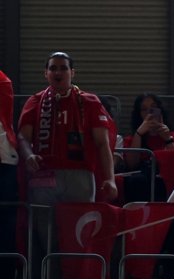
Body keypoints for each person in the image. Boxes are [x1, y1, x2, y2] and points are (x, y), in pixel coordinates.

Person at [16, 53, 116, 243]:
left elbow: (102, 144)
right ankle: (50, 272)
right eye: (53, 68)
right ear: (45, 73)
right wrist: (28, 155)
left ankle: (75, 272)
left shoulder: (89, 102)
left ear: (72, 73)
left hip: (80, 175)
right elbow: (23, 137)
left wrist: (110, 179)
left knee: (78, 233)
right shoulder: (35, 102)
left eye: (63, 68)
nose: (58, 72)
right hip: (43, 174)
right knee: (45, 234)